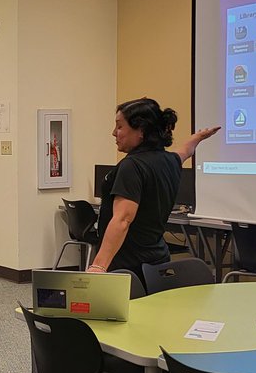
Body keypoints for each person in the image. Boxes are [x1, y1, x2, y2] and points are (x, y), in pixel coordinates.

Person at [88, 98, 220, 280]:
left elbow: (123, 219)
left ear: (140, 131)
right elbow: (185, 151)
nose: (114, 133)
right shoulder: (169, 161)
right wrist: (197, 138)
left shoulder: (132, 166)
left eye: (119, 127)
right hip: (157, 262)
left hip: (128, 266)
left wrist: (99, 266)